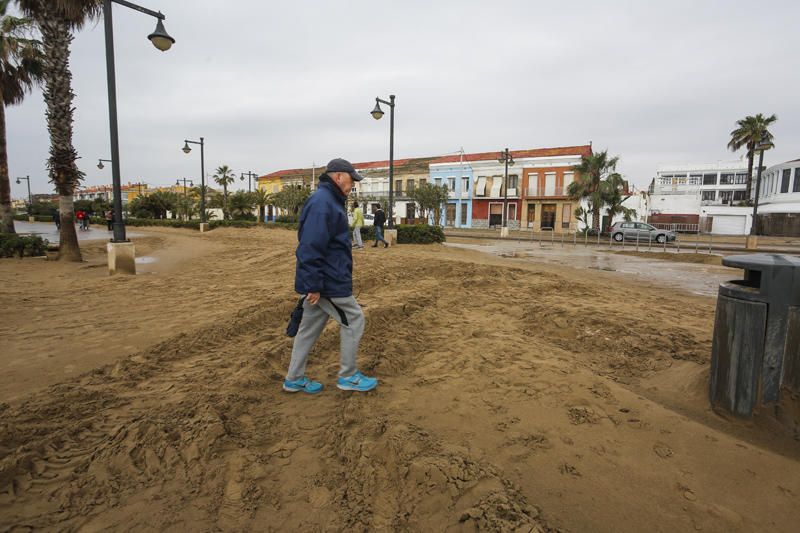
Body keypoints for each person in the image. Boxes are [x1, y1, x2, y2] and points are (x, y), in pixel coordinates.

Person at [283, 158, 378, 394]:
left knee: (308, 329)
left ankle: (294, 378)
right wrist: (313, 285)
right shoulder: (323, 203)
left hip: (323, 281)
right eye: (351, 179)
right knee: (354, 319)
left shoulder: (328, 201)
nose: (353, 184)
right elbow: (310, 248)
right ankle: (348, 376)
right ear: (338, 177)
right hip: (328, 283)